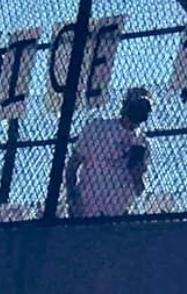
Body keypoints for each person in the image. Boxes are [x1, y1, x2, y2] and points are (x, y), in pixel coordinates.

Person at [65, 86, 153, 217]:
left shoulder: (142, 143)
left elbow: (139, 189)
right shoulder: (98, 128)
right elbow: (73, 163)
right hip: (85, 208)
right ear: (126, 105)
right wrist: (71, 196)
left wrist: (137, 170)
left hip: (117, 214)